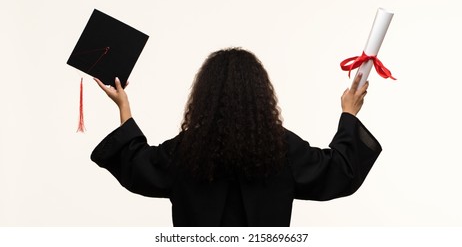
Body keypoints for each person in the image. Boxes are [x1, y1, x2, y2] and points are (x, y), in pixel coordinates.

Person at [91, 47, 381, 226]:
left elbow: (138, 163)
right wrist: (349, 113)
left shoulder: (187, 151)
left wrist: (123, 106)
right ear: (261, 96)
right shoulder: (281, 149)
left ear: (204, 97)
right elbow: (339, 170)